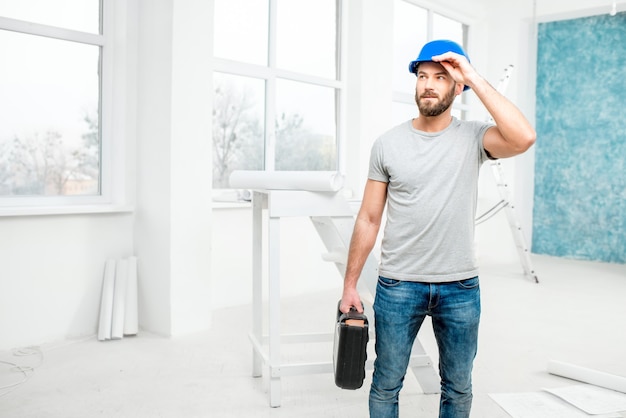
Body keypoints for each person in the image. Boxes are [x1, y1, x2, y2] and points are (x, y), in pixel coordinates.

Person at [339, 39, 536, 418]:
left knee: (458, 389)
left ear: (456, 86)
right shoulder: (388, 144)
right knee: (386, 383)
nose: (428, 85)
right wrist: (349, 285)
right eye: (423, 76)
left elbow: (523, 137)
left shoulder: (475, 138)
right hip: (398, 285)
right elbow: (368, 218)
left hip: (460, 287)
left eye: (441, 78)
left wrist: (474, 78)